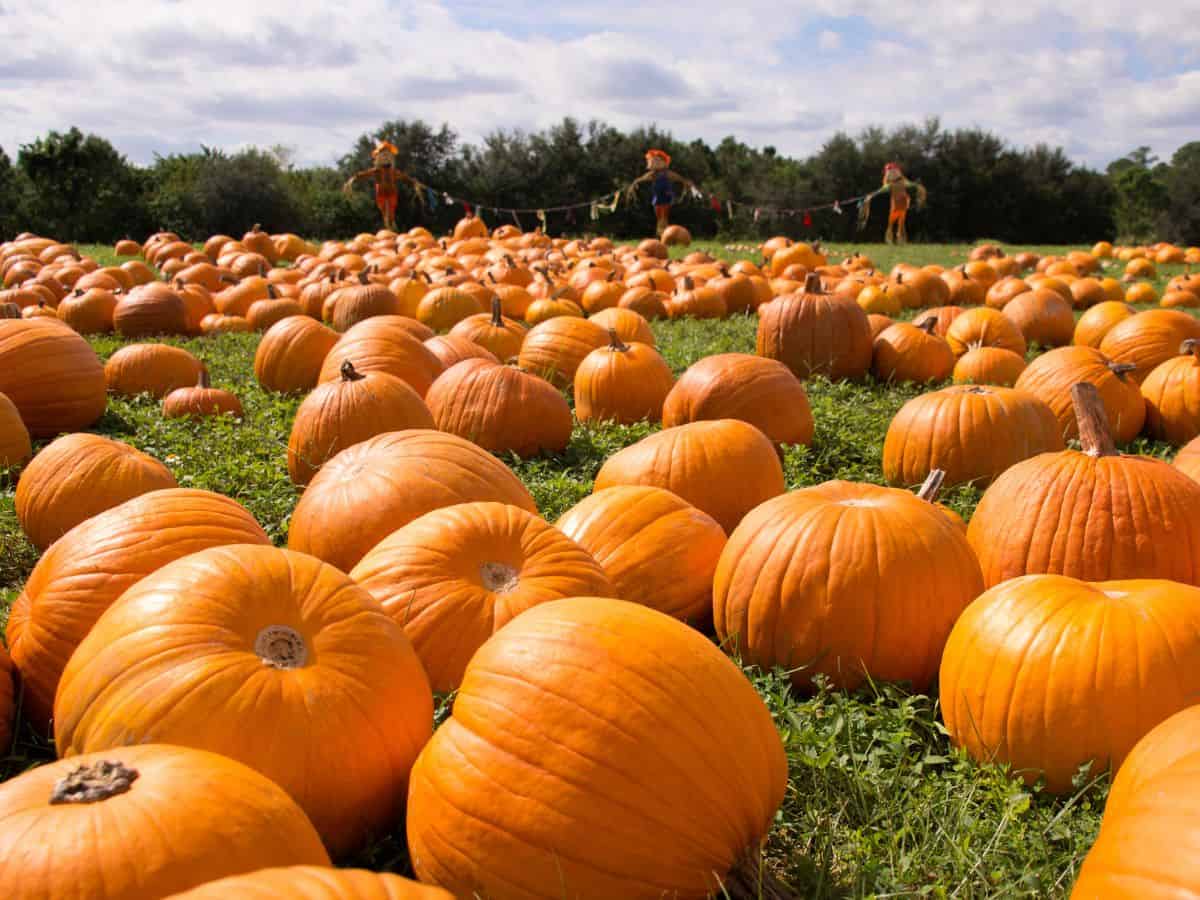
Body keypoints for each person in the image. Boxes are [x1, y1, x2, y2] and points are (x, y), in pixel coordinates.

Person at [342, 141, 420, 231]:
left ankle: (391, 226)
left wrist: (413, 182)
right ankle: (388, 227)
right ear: (378, 158)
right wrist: (354, 178)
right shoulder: (376, 171)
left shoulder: (394, 172)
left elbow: (404, 177)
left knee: (391, 211)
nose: (385, 157)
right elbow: (365, 174)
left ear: (391, 158)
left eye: (388, 155)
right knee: (383, 211)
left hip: (392, 192)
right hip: (381, 193)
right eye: (383, 155)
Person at [626, 149, 696, 237]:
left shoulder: (667, 173)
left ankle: (665, 233)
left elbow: (678, 178)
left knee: (664, 216)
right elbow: (643, 178)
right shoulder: (652, 174)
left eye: (657, 161)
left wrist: (686, 182)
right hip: (657, 196)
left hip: (666, 195)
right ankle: (660, 233)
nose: (655, 163)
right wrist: (635, 182)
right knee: (659, 216)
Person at [870, 162, 928, 245]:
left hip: (901, 204)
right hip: (899, 204)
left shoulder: (899, 182)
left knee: (897, 222)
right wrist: (873, 194)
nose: (892, 172)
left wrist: (917, 186)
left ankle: (898, 239)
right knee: (895, 222)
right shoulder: (893, 183)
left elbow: (910, 185)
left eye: (893, 170)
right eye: (890, 171)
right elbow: (882, 190)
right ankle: (895, 238)